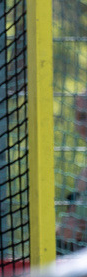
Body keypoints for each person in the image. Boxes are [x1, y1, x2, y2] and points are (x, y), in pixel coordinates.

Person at [59, 91, 87, 248]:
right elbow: (67, 231)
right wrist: (63, 232)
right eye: (81, 117)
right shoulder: (83, 175)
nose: (85, 123)